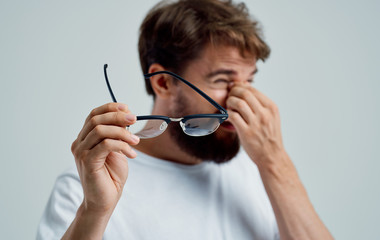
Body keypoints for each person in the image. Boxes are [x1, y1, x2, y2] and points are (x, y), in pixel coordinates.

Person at [37, 0, 333, 239]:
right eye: (222, 80)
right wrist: (94, 210)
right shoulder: (86, 186)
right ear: (163, 82)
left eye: (249, 80)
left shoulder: (259, 171)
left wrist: (275, 162)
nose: (241, 100)